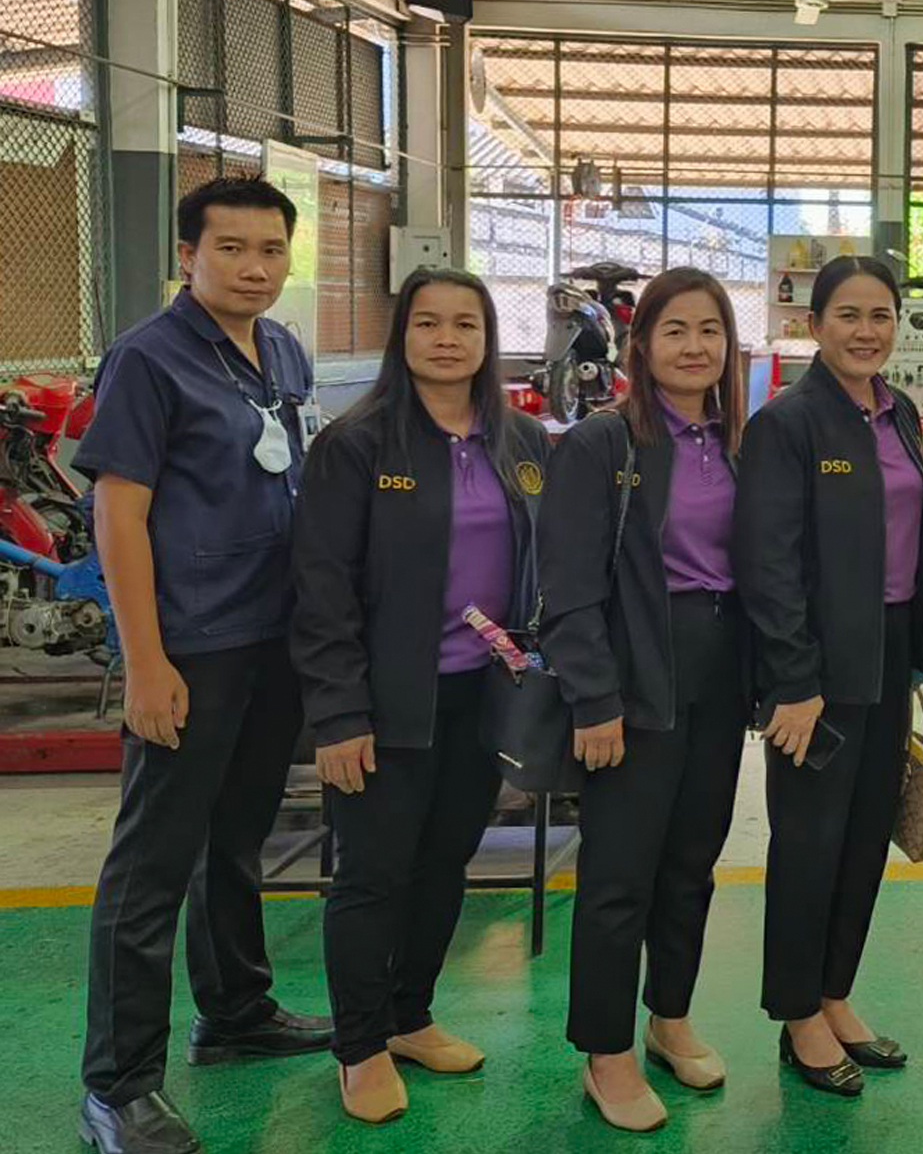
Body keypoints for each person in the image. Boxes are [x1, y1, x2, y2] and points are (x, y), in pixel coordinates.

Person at [74, 177, 332, 1154]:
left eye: (271, 249)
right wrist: (145, 663)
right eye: (231, 248)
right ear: (188, 254)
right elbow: (118, 516)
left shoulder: (283, 352)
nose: (254, 267)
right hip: (191, 645)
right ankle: (119, 1086)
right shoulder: (147, 360)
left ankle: (235, 1012)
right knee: (151, 865)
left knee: (237, 838)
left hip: (273, 641)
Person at [291, 269, 548, 1123]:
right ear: (403, 335)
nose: (447, 338)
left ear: (486, 338)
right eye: (428, 322)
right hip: (385, 701)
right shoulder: (358, 444)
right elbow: (320, 587)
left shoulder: (520, 443)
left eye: (465, 324)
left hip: (481, 699)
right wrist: (337, 712)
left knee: (444, 863)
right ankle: (359, 1046)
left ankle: (409, 1015)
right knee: (370, 875)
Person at [540, 268, 754, 1131]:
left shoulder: (739, 439)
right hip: (633, 674)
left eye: (710, 330)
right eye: (675, 331)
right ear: (642, 345)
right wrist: (595, 698)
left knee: (691, 864)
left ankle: (668, 1016)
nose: (694, 346)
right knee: (618, 877)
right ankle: (607, 1051)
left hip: (718, 671)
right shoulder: (603, 444)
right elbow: (568, 583)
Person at [736, 255, 923, 1099]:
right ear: (813, 326)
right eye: (847, 315)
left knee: (863, 838)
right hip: (815, 664)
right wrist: (794, 678)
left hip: (888, 652)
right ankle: (796, 1013)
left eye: (880, 315)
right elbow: (767, 561)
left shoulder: (900, 415)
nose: (866, 331)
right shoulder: (789, 422)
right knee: (811, 839)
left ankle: (834, 991)